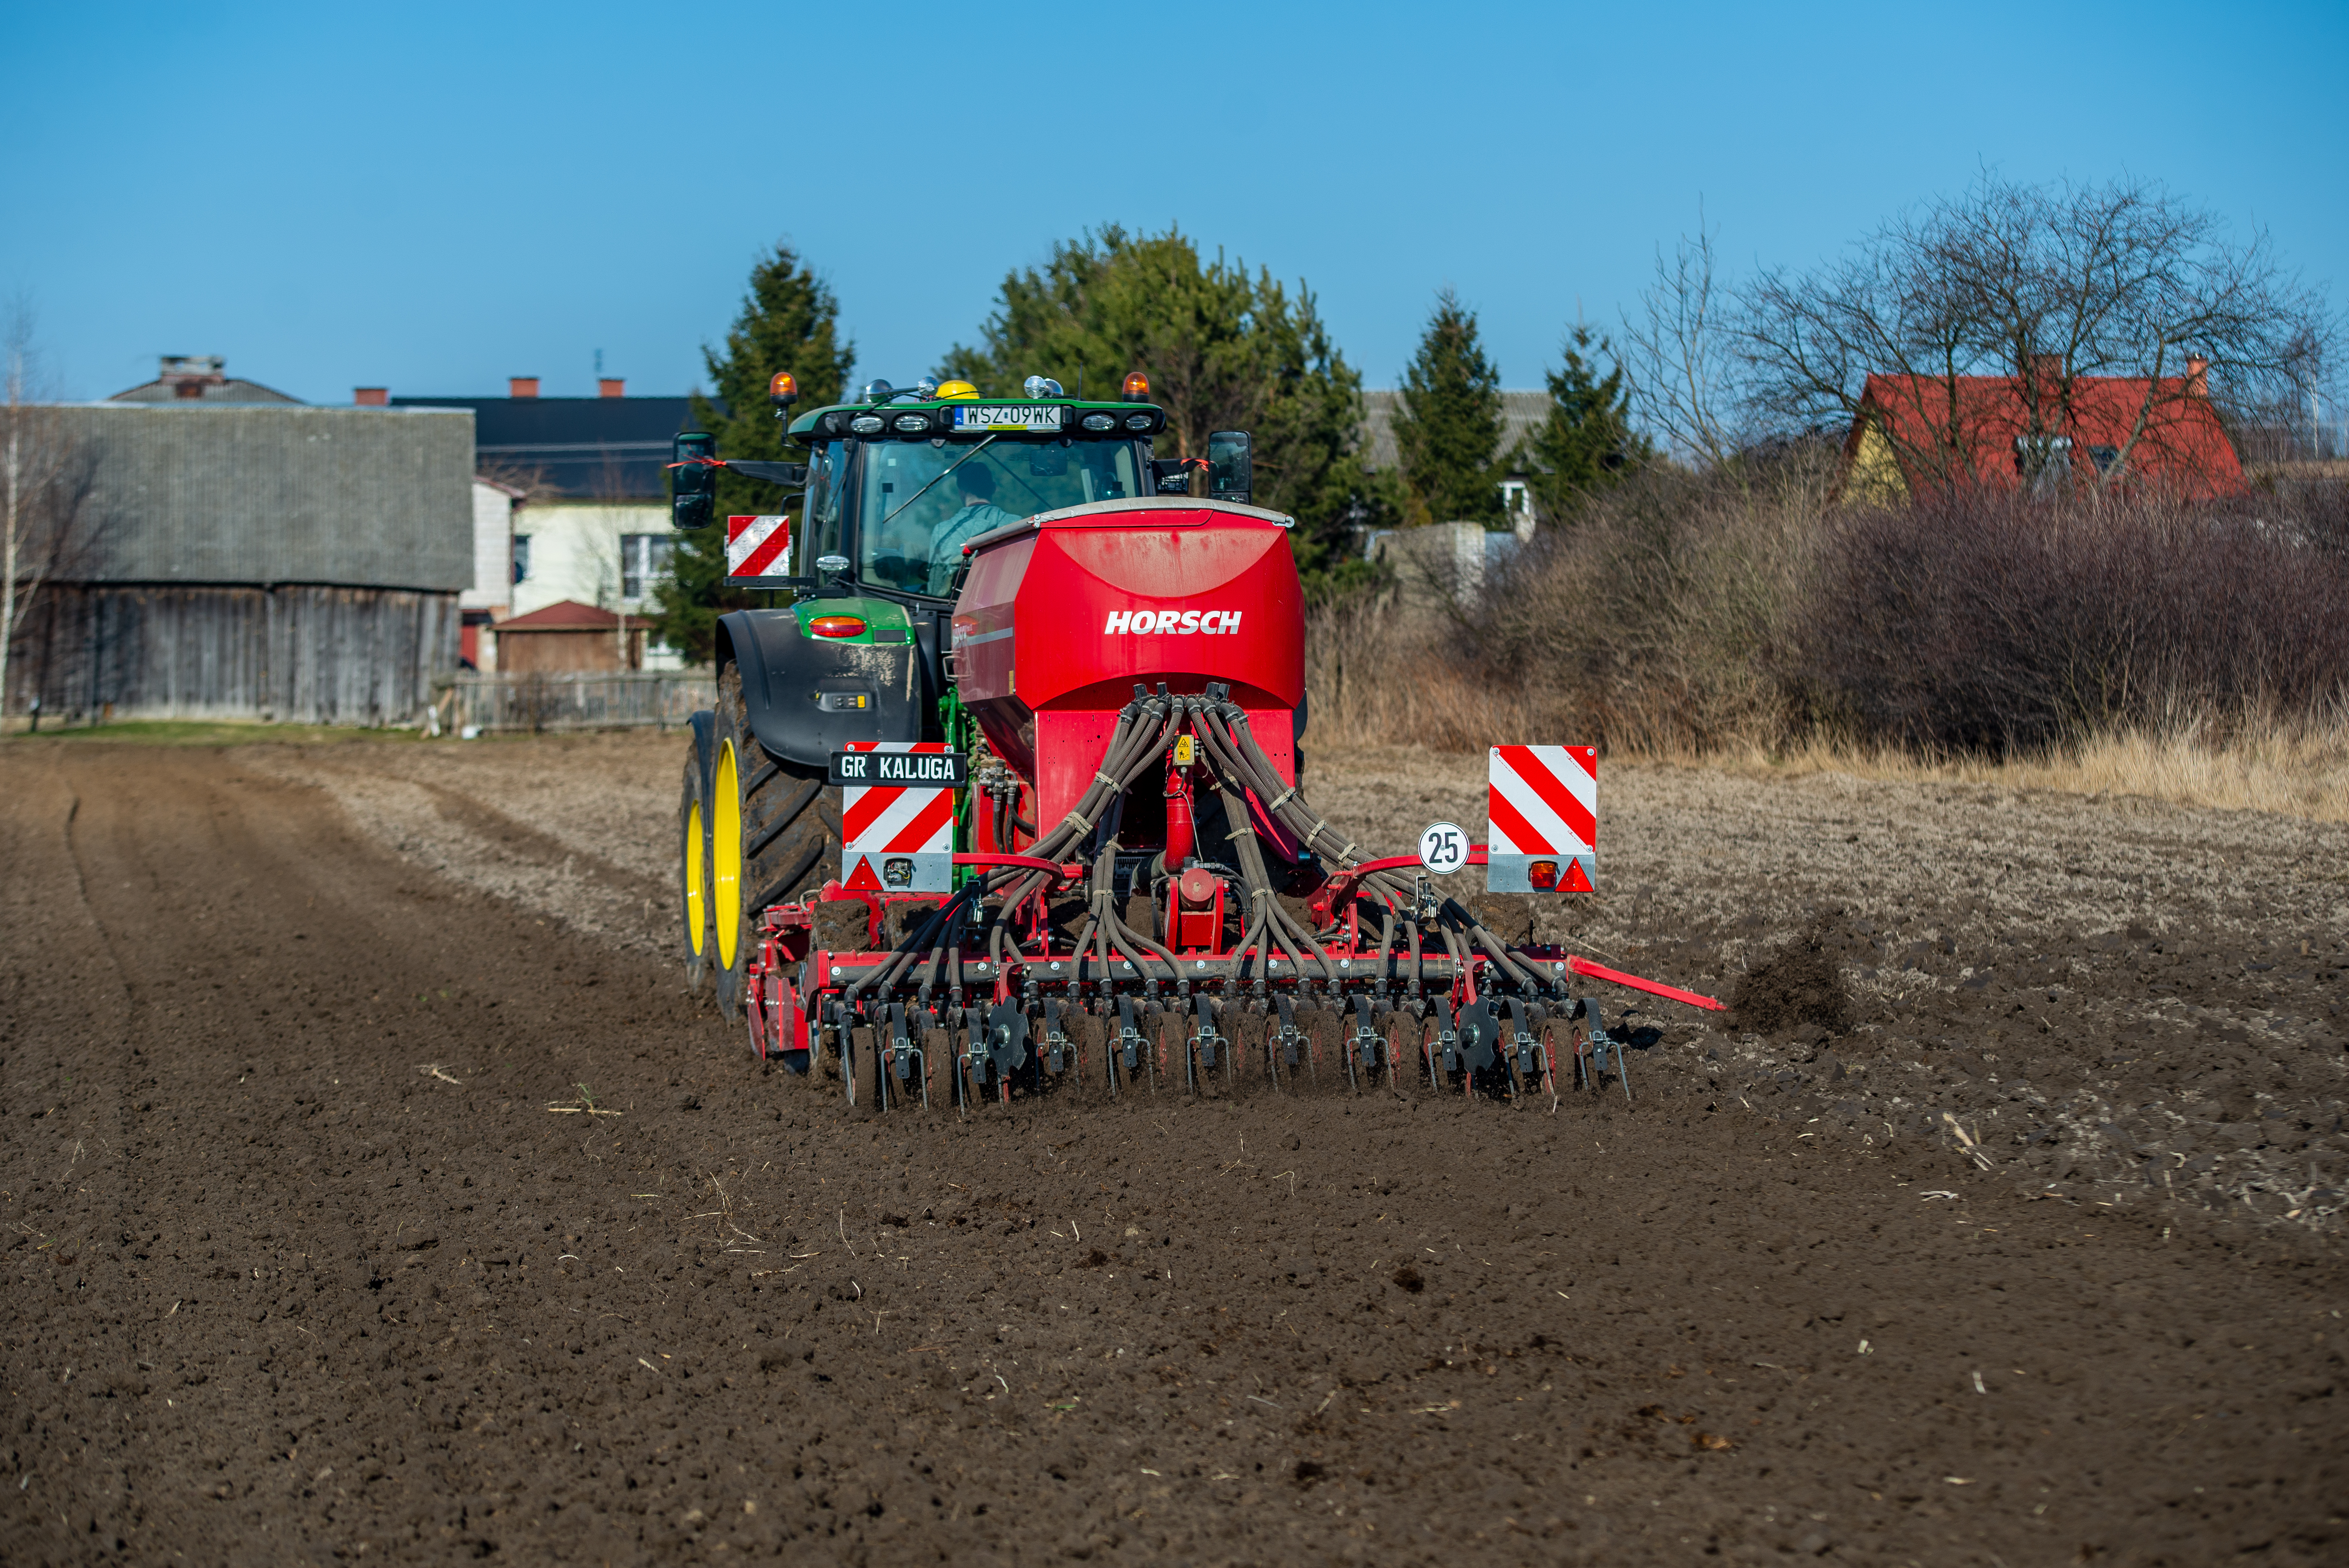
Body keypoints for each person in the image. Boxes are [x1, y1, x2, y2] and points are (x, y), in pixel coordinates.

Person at [925, 463, 1020, 595]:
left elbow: (935, 588)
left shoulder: (942, 531)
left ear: (961, 493)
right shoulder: (1016, 524)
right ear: (993, 489)